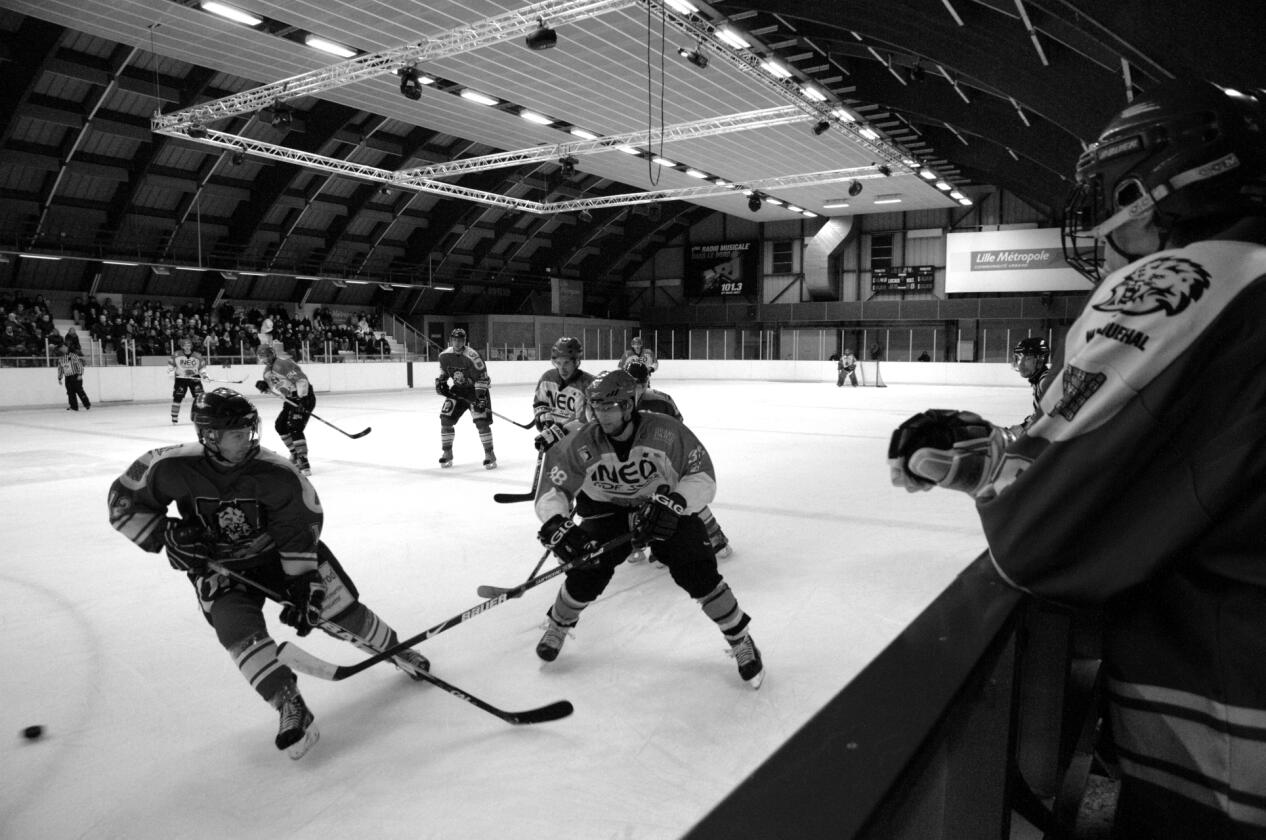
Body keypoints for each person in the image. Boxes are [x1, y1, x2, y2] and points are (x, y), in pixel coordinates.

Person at [887, 79, 1266, 839]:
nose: (1097, 223)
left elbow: (1041, 535)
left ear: (1148, 193)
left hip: (1233, 741)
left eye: (1105, 194)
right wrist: (998, 450)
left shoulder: (1203, 280)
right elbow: (1167, 462)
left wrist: (989, 466)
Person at [107, 388, 430, 760]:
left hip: (280, 557)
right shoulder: (169, 466)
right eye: (236, 434)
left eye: (248, 431)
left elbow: (300, 527)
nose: (247, 439)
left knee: (337, 611)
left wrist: (303, 582)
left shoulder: (277, 472)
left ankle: (396, 650)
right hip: (221, 567)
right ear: (209, 436)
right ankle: (287, 701)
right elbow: (123, 504)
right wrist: (167, 535)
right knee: (236, 631)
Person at [531, 369, 763, 688]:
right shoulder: (583, 441)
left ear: (629, 406)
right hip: (607, 511)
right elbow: (553, 489)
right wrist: (556, 521)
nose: (601, 415)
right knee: (586, 569)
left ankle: (740, 638)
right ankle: (558, 625)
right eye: (596, 407)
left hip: (662, 507)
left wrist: (676, 502)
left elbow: (702, 476)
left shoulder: (666, 432)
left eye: (609, 407)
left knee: (697, 570)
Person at [624, 361, 732, 560]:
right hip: (633, 461)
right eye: (631, 385)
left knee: (681, 497)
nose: (635, 390)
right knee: (630, 500)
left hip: (664, 459)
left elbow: (678, 431)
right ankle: (640, 543)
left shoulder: (660, 401)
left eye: (638, 385)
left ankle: (715, 536)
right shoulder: (617, 403)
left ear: (646, 383)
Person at [435, 328, 496, 469]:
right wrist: (441, 382)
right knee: (445, 420)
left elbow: (482, 378)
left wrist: (481, 398)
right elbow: (444, 372)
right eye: (454, 340)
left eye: (460, 340)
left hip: (476, 391)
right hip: (458, 391)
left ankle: (489, 454)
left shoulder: (473, 356)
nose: (457, 343)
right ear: (451, 340)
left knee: (481, 423)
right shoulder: (444, 355)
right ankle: (447, 452)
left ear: (465, 341)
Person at [255, 343, 315, 475]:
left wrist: (302, 399)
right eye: (262, 357)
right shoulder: (266, 372)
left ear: (272, 354)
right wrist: (264, 386)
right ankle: (295, 454)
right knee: (281, 426)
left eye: (267, 355)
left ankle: (303, 461)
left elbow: (301, 380)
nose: (265, 359)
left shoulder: (283, 364)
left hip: (304, 397)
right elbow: (275, 387)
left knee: (294, 426)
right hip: (290, 400)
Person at [530, 336, 595, 453]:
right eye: (558, 363)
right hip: (552, 440)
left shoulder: (588, 385)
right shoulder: (547, 378)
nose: (562, 369)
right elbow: (540, 402)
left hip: (579, 444)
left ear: (576, 362)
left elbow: (585, 420)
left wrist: (557, 432)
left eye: (566, 363)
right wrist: (542, 417)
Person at [1007, 337, 1055, 437]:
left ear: (1040, 360)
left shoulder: (1045, 382)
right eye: (1020, 358)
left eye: (1027, 358)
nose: (1021, 364)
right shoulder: (1040, 380)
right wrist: (1023, 426)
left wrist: (1023, 430)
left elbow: (1052, 418)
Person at [167, 336, 206, 424]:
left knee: (199, 398)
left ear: (191, 346)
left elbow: (202, 368)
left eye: (189, 345)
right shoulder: (176, 354)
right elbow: (171, 365)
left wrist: (204, 375)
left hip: (194, 378)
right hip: (181, 379)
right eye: (185, 345)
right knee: (177, 397)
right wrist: (171, 372)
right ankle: (174, 417)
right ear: (182, 346)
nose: (187, 347)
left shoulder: (197, 355)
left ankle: (200, 416)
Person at [55, 345, 91, 411]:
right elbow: (60, 369)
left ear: (67, 348)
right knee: (70, 392)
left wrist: (80, 374)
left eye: (64, 347)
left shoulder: (73, 356)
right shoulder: (60, 359)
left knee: (79, 391)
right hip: (67, 377)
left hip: (75, 376)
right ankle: (73, 406)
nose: (63, 349)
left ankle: (87, 404)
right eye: (61, 348)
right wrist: (59, 378)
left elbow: (79, 365)